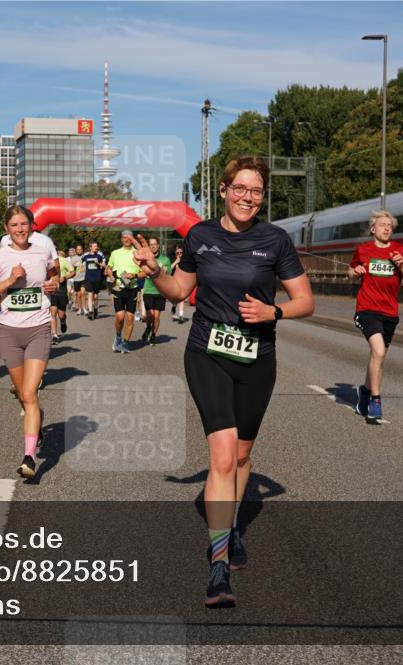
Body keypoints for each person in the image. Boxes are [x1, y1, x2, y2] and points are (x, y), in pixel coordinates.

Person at [132, 155, 313, 608]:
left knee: (243, 454)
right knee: (223, 455)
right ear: (224, 190)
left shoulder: (275, 240)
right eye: (240, 189)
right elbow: (179, 291)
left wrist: (273, 311)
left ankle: (231, 527)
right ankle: (218, 566)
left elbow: (305, 302)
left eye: (256, 191)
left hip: (257, 359)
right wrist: (156, 272)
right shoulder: (200, 236)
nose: (248, 197)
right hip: (207, 353)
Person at [0, 205, 57, 478]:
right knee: (22, 394)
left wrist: (54, 284)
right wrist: (9, 281)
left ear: (32, 225)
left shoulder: (42, 251)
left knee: (30, 392)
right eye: (14, 225)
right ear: (6, 229)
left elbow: (54, 275)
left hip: (38, 329)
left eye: (24, 224)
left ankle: (29, 457)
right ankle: (37, 424)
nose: (20, 229)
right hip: (9, 332)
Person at [348, 210, 403, 422]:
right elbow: (350, 272)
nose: (387, 228)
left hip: (390, 312)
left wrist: (401, 266)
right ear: (373, 229)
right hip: (367, 308)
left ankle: (364, 391)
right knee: (378, 351)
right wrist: (355, 272)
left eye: (389, 225)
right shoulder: (363, 250)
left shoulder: (401, 250)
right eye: (382, 225)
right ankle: (376, 400)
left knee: (378, 356)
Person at [106, 230, 144, 353]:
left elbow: (145, 272)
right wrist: (111, 275)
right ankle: (118, 337)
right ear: (121, 239)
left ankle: (126, 343)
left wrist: (135, 275)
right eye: (124, 237)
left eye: (129, 238)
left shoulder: (138, 253)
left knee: (130, 317)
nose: (126, 239)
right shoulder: (115, 253)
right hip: (118, 287)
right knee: (120, 316)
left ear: (132, 239)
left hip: (132, 288)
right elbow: (108, 268)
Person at [140, 236, 173, 346]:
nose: (153, 246)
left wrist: (164, 273)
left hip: (160, 291)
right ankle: (148, 328)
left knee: (157, 316)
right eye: (151, 244)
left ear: (158, 245)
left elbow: (169, 276)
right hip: (148, 290)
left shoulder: (165, 260)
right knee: (150, 315)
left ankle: (153, 336)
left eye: (155, 244)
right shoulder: (145, 259)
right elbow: (140, 272)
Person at [50, 247, 74, 344]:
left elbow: (73, 272)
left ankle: (63, 321)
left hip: (62, 289)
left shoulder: (63, 260)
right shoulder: (46, 260)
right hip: (51, 289)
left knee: (61, 314)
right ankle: (54, 335)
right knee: (53, 312)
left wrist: (65, 277)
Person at [81, 241, 106, 319]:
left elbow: (104, 265)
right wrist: (82, 268)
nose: (96, 247)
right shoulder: (86, 256)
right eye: (94, 246)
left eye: (96, 246)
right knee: (89, 294)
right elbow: (82, 263)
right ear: (90, 247)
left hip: (97, 278)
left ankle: (95, 309)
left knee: (95, 296)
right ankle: (90, 311)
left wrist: (98, 264)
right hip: (88, 278)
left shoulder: (99, 255)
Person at [171, 244, 189, 323]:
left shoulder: (185, 261)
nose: (179, 254)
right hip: (173, 281)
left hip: (182, 282)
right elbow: (169, 269)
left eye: (181, 253)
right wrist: (176, 262)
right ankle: (174, 305)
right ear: (175, 253)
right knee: (175, 298)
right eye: (177, 253)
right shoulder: (172, 259)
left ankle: (181, 315)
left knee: (182, 298)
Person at [71, 243, 86, 314]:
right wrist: (74, 266)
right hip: (76, 278)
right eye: (78, 249)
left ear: (82, 250)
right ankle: (80, 309)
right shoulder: (73, 258)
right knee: (78, 295)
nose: (79, 250)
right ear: (76, 250)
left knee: (83, 293)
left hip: (84, 278)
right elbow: (71, 269)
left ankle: (84, 308)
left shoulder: (85, 257)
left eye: (80, 249)